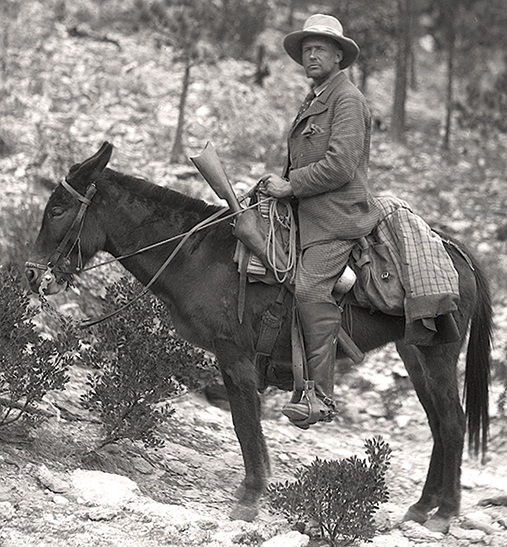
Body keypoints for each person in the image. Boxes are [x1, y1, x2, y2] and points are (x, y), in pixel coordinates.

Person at [260, 14, 380, 428]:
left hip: (337, 218)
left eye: (321, 48)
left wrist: (290, 186)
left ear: (338, 56)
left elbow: (341, 166)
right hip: (307, 213)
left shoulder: (347, 100)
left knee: (310, 286)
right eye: (307, 48)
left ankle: (320, 396)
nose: (312, 54)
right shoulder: (316, 98)